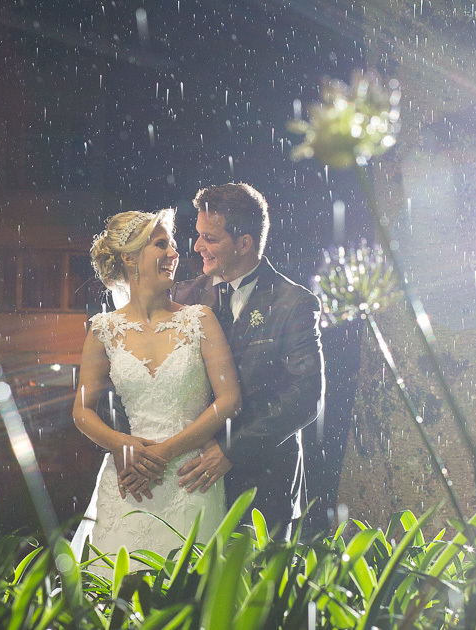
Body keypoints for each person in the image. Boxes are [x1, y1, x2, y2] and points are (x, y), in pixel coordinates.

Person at [71, 209, 241, 561]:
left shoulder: (200, 319)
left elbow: (229, 400)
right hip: (129, 479)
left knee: (189, 596)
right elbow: (82, 411)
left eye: (173, 245)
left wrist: (163, 453)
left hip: (191, 477)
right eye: (161, 244)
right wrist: (122, 445)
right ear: (129, 257)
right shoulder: (103, 330)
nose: (174, 254)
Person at [171, 183, 325, 537]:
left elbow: (304, 398)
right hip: (189, 477)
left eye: (209, 238)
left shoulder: (294, 303)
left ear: (244, 243)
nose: (197, 247)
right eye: (197, 235)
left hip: (263, 481)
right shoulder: (183, 296)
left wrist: (231, 451)